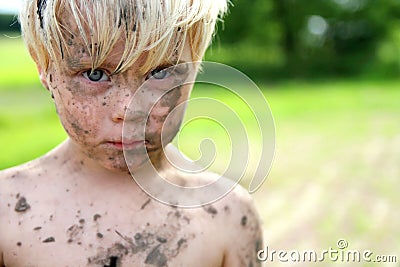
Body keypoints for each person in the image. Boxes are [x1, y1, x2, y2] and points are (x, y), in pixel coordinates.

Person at [0, 0, 264, 266]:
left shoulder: (227, 214)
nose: (129, 109)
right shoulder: (7, 211)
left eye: (160, 72)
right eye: (94, 74)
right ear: (44, 67)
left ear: (196, 65)